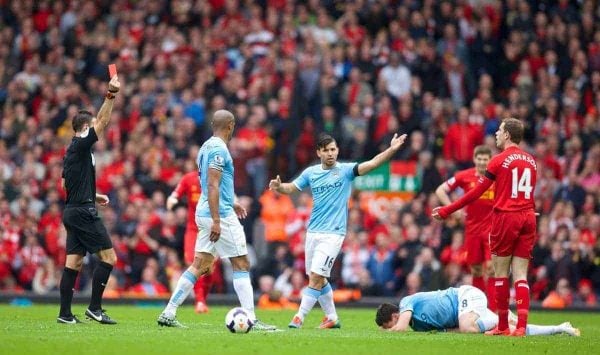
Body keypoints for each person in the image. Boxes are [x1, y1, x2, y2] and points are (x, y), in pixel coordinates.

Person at [269, 132, 407, 329]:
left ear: (338, 150)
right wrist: (279, 186)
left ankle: (298, 318)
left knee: (316, 276)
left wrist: (392, 149)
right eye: (326, 150)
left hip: (333, 233)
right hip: (313, 232)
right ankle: (332, 317)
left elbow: (373, 163)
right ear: (319, 153)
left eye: (333, 149)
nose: (330, 154)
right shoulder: (311, 173)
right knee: (317, 277)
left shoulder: (346, 170)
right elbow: (291, 188)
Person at [157, 110, 277, 330]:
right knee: (241, 262)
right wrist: (217, 220)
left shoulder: (205, 147)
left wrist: (231, 201)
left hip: (205, 211)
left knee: (199, 265)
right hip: (218, 215)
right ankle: (251, 318)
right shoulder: (220, 149)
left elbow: (212, 184)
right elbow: (212, 184)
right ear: (230, 126)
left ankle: (169, 312)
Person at [433, 118, 537, 336]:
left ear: (507, 135)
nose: (496, 134)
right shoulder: (531, 160)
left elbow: (475, 193)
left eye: (499, 131)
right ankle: (521, 327)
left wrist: (447, 210)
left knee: (499, 273)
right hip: (528, 216)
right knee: (520, 275)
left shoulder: (498, 161)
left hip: (506, 218)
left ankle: (501, 326)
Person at [58, 75, 121, 324]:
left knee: (73, 263)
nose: (97, 127)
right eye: (92, 125)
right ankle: (95, 308)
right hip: (83, 212)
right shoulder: (81, 145)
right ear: (85, 128)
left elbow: (65, 185)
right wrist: (111, 94)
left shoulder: (72, 152)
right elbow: (104, 120)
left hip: (72, 210)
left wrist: (93, 194)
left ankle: (64, 314)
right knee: (109, 258)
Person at [375, 286, 579, 336]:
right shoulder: (418, 327)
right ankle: (560, 328)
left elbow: (400, 328)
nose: (390, 329)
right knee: (510, 330)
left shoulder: (405, 302)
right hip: (468, 314)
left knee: (466, 327)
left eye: (387, 326)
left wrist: (387, 334)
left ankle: (503, 317)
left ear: (394, 316)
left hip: (464, 295)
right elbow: (449, 331)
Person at [435, 145, 496, 311]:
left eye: (486, 159)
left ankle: (494, 309)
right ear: (474, 159)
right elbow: (441, 190)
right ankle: (480, 308)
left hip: (492, 229)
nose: (483, 162)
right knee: (476, 269)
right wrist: (453, 211)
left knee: (491, 268)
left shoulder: (497, 177)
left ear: (490, 160)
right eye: (480, 159)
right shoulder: (464, 176)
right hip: (472, 229)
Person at [166, 168, 212, 313]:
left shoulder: (217, 180)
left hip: (211, 229)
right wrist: (172, 199)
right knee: (194, 262)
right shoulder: (188, 179)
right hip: (193, 229)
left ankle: (202, 298)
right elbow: (176, 193)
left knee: (209, 269)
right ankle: (199, 301)